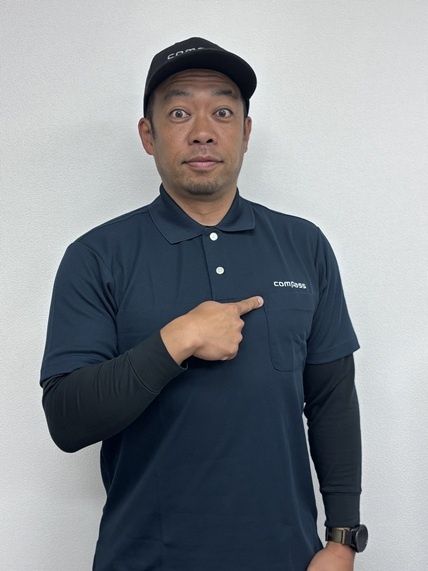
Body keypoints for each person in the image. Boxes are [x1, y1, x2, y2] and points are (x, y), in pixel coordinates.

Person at [39, 37, 368, 570]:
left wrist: (342, 539)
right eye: (178, 112)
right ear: (148, 135)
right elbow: (67, 421)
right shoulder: (96, 256)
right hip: (144, 558)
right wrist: (177, 340)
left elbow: (332, 400)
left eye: (222, 111)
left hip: (285, 557)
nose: (202, 131)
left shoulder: (304, 245)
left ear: (246, 132)